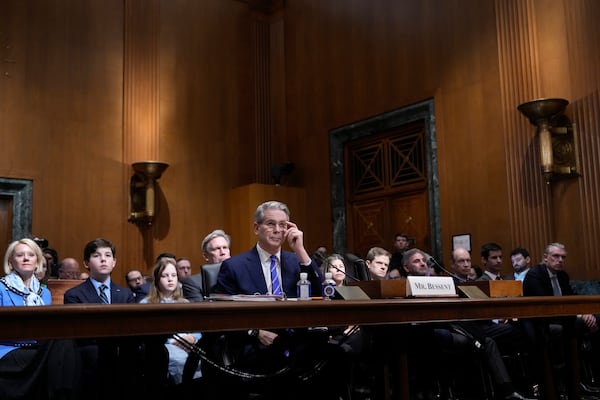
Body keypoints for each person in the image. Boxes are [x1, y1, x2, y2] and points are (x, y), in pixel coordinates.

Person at [213, 201, 332, 399]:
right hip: (257, 343)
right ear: (256, 228)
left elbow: (322, 292)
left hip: (296, 342)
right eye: (271, 224)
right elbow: (221, 312)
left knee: (335, 355)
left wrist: (301, 251)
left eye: (283, 225)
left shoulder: (297, 261)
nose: (278, 230)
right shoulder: (234, 266)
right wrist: (255, 332)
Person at [64, 238, 150, 400]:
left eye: (108, 255)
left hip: (122, 357)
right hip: (90, 358)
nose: (103, 259)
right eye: (97, 255)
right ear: (86, 263)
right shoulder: (74, 295)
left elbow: (131, 329)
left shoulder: (125, 294)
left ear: (114, 262)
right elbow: (80, 334)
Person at [0, 238, 81, 399]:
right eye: (20, 255)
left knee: (65, 341)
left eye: (31, 255)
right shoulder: (1, 288)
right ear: (10, 261)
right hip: (9, 349)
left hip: (38, 348)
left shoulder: (44, 293)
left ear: (37, 260)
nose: (26, 258)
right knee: (62, 348)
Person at [523, 242, 600, 398]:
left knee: (595, 321)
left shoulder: (563, 276)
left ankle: (587, 378)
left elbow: (571, 298)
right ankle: (566, 382)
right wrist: (579, 315)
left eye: (563, 257)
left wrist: (585, 312)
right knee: (570, 329)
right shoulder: (534, 275)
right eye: (556, 256)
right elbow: (545, 306)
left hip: (563, 320)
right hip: (541, 323)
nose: (560, 260)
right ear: (545, 258)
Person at [139, 257, 202, 386]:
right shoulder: (146, 304)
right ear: (157, 279)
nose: (170, 279)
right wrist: (172, 341)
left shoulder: (185, 303)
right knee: (179, 360)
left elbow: (197, 328)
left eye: (173, 275)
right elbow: (145, 336)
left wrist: (194, 337)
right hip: (165, 346)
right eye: (165, 275)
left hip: (189, 344)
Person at [182, 229, 232, 302]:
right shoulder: (193, 283)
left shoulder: (240, 275)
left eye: (225, 247)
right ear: (206, 256)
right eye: (217, 249)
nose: (222, 252)